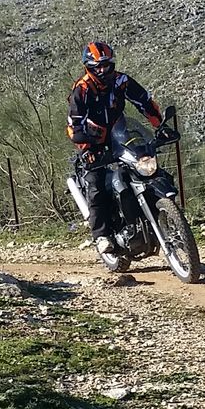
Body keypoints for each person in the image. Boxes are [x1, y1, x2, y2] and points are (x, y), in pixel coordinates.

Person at [67, 40, 164, 251]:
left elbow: (144, 102)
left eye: (106, 65)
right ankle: (101, 235)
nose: (103, 70)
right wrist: (86, 148)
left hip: (120, 134)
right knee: (96, 184)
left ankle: (165, 213)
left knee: (149, 167)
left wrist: (160, 125)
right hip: (92, 140)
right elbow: (74, 125)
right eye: (97, 67)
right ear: (88, 67)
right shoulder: (82, 89)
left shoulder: (121, 81)